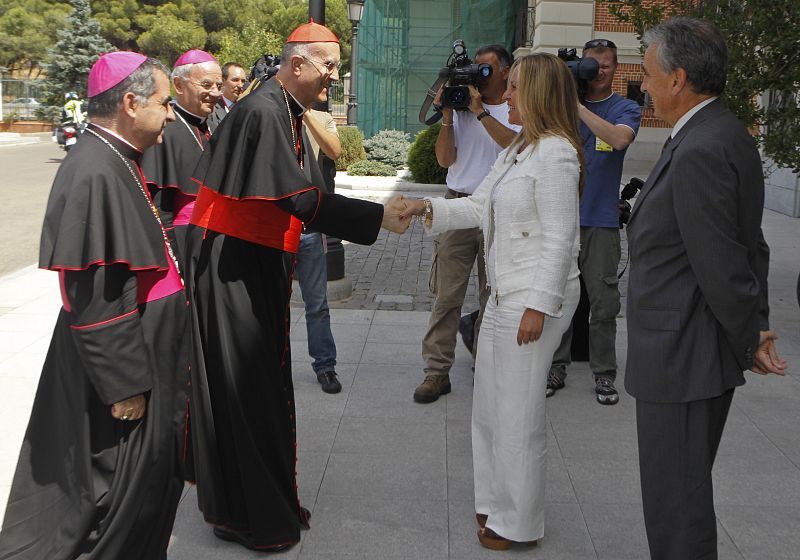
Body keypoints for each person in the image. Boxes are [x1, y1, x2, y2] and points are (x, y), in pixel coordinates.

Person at [185, 21, 407, 552]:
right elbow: (301, 199)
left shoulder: (286, 107)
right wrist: (379, 218)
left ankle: (250, 504)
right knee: (249, 391)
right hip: (233, 268)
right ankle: (251, 517)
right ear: (298, 63)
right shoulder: (264, 109)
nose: (335, 74)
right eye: (328, 65)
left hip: (253, 262)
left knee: (261, 388)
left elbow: (304, 187)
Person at [0, 52, 190, 559]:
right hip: (127, 365)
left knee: (147, 484)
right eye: (164, 104)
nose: (171, 115)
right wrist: (124, 384)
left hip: (147, 352)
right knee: (118, 489)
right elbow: (93, 295)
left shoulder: (116, 157)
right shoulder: (93, 170)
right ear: (130, 103)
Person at [402, 52, 583, 550]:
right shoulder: (521, 148)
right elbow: (480, 205)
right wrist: (424, 206)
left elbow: (561, 238)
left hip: (532, 299)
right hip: (505, 295)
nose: (506, 97)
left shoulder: (557, 154)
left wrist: (539, 306)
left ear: (540, 94)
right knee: (488, 407)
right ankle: (493, 499)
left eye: (517, 89)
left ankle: (517, 521)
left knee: (518, 413)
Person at [628, 17, 787, 560]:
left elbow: (724, 261)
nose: (642, 85)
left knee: (677, 507)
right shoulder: (716, 132)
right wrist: (758, 325)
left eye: (648, 75)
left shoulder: (701, 147)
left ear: (678, 79)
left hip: (682, 357)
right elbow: (750, 247)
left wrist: (751, 337)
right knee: (680, 496)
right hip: (687, 351)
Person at [413, 44, 520, 404]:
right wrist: (447, 115)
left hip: (499, 209)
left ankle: (488, 366)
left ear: (505, 71)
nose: (478, 75)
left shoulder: (516, 108)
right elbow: (446, 159)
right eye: (476, 68)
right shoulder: (459, 108)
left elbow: (517, 149)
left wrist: (480, 113)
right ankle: (436, 372)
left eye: (486, 70)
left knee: (495, 295)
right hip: (459, 206)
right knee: (447, 295)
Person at [546, 39, 641, 405]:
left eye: (605, 65)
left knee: (603, 304)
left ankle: (604, 374)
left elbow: (618, 139)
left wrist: (578, 109)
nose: (598, 71)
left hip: (600, 220)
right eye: (592, 64)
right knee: (559, 301)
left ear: (616, 68)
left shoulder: (625, 107)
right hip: (561, 218)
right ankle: (557, 366)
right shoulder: (562, 104)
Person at [142, 50, 221, 266]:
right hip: (186, 241)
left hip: (219, 235)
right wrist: (173, 256)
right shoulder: (164, 130)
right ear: (178, 85)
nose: (215, 93)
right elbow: (160, 206)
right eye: (206, 85)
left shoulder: (214, 125)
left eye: (218, 86)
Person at [297, 107, 344, 393]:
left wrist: (306, 114)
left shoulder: (321, 117)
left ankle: (325, 366)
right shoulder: (269, 111)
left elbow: (335, 150)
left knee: (317, 303)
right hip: (273, 223)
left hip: (309, 223)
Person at [207, 62, 247, 133]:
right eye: (235, 80)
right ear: (223, 81)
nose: (240, 85)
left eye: (243, 81)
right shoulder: (211, 109)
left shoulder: (247, 108)